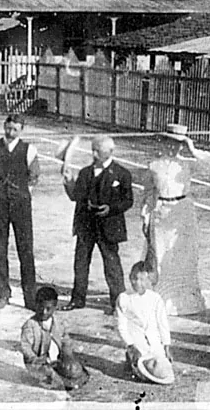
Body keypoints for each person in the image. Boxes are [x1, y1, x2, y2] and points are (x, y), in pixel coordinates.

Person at [139, 123, 210, 315]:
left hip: (182, 211)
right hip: (161, 211)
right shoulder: (154, 165)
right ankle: (161, 302)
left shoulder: (187, 163)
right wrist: (146, 215)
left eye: (178, 144)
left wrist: (192, 148)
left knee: (183, 256)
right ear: (164, 142)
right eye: (170, 143)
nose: (173, 147)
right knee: (161, 254)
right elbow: (149, 192)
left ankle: (185, 304)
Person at [61, 135, 134, 315]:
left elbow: (128, 201)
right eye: (92, 149)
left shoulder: (122, 173)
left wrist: (110, 209)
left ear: (110, 152)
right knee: (80, 263)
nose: (93, 153)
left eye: (98, 151)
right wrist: (69, 182)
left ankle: (117, 302)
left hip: (108, 226)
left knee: (112, 264)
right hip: (86, 224)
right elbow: (75, 196)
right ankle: (77, 299)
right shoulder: (85, 172)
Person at [0, 114, 41, 310]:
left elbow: (35, 176)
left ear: (21, 130)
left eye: (15, 129)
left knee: (25, 250)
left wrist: (22, 193)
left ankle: (30, 297)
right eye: (8, 128)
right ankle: (3, 294)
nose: (10, 133)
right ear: (4, 126)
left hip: (21, 204)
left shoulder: (29, 149)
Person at [20, 285, 89, 391]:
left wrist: (68, 354)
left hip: (56, 360)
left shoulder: (57, 322)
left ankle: (65, 378)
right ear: (36, 305)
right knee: (50, 375)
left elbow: (65, 339)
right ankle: (57, 380)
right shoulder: (30, 325)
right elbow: (25, 347)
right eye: (40, 307)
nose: (44, 312)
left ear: (55, 307)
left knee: (74, 369)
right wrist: (35, 359)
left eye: (48, 309)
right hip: (38, 363)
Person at [116, 261, 174, 385]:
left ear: (149, 281)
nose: (137, 283)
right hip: (137, 342)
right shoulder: (123, 298)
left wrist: (166, 345)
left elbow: (162, 324)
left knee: (160, 369)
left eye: (142, 279)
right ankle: (130, 359)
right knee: (141, 367)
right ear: (130, 278)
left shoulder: (156, 299)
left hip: (154, 340)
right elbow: (122, 327)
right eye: (134, 278)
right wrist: (131, 345)